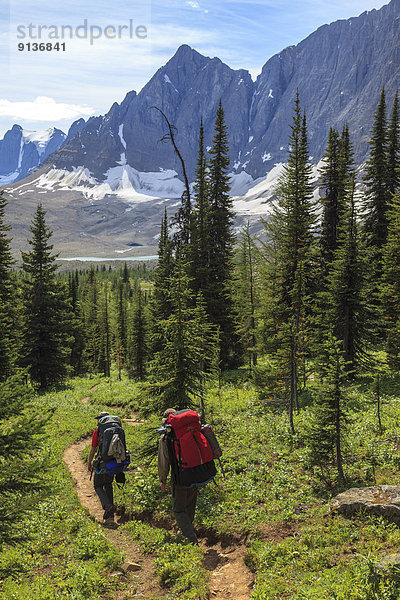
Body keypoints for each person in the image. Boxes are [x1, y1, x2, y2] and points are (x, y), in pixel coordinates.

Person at [158, 408, 199, 545]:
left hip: (180, 476)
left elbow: (164, 461)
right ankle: (187, 532)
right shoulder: (191, 430)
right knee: (190, 505)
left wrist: (162, 480)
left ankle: (191, 538)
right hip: (195, 472)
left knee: (178, 509)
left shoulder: (166, 437)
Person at [88, 410, 116, 520]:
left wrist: (89, 462)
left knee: (98, 485)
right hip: (113, 463)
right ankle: (111, 513)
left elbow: (93, 449)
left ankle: (108, 506)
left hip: (101, 462)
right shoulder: (115, 431)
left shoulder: (98, 432)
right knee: (108, 485)